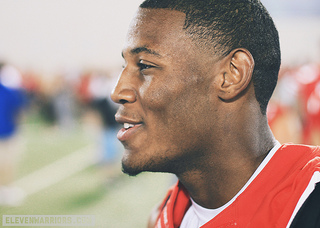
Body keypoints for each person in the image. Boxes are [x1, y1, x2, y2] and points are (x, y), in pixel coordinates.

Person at [110, 0, 320, 227]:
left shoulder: (308, 204)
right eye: (125, 66)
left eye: (144, 65)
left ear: (231, 75)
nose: (117, 92)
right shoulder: (163, 217)